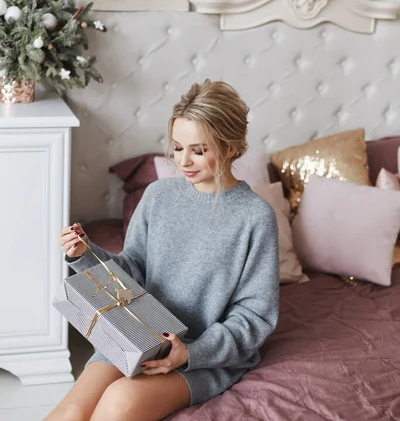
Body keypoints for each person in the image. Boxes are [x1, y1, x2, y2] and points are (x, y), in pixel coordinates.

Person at [47, 79, 279, 421]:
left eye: (198, 150)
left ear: (231, 148)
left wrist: (190, 353)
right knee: (70, 412)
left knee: (118, 403)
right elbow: (132, 270)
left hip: (202, 357)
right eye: (177, 147)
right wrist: (84, 254)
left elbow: (255, 316)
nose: (183, 161)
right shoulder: (158, 196)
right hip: (136, 336)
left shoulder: (255, 216)